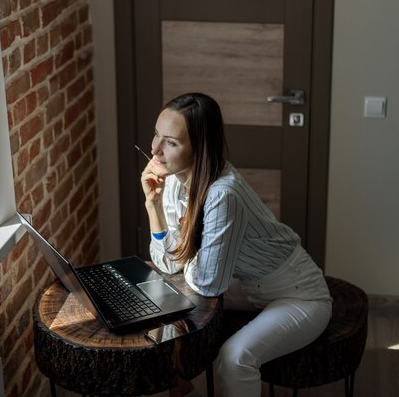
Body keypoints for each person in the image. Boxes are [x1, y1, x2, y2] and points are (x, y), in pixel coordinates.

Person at [140, 93, 332, 397]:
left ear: (199, 148)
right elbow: (168, 264)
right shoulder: (176, 180)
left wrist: (188, 258)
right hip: (247, 287)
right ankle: (182, 385)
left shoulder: (222, 194)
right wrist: (154, 207)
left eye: (171, 143)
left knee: (235, 358)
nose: (155, 149)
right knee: (159, 308)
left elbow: (208, 282)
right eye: (156, 135)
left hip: (299, 296)